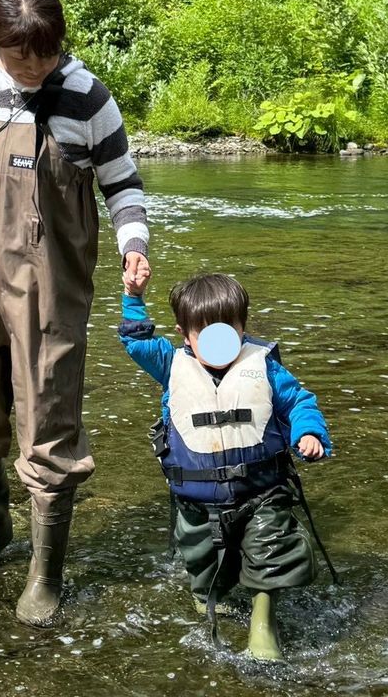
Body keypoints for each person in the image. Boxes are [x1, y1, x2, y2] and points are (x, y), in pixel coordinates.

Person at [0, 0, 151, 626]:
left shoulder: (86, 95)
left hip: (52, 283)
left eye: (48, 54)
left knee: (47, 417)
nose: (37, 66)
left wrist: (136, 243)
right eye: (24, 57)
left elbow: (124, 184)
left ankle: (44, 573)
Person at [118, 272, 331, 660]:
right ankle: (206, 596)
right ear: (185, 334)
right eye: (205, 334)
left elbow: (300, 402)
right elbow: (135, 340)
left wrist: (308, 434)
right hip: (197, 498)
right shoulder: (170, 365)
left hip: (263, 490)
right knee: (204, 562)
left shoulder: (264, 366)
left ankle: (263, 625)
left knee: (271, 552)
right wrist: (134, 295)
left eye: (229, 329)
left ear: (242, 326)